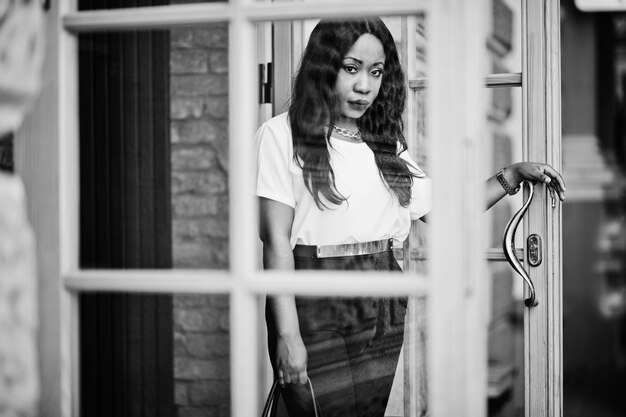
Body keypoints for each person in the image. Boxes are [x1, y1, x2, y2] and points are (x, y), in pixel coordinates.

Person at [255, 17, 566, 417]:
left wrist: (512, 175)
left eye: (376, 72)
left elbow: (450, 213)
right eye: (350, 68)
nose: (364, 85)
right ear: (323, 67)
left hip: (383, 294)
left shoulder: (386, 149)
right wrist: (286, 335)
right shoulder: (280, 136)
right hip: (314, 293)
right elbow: (276, 242)